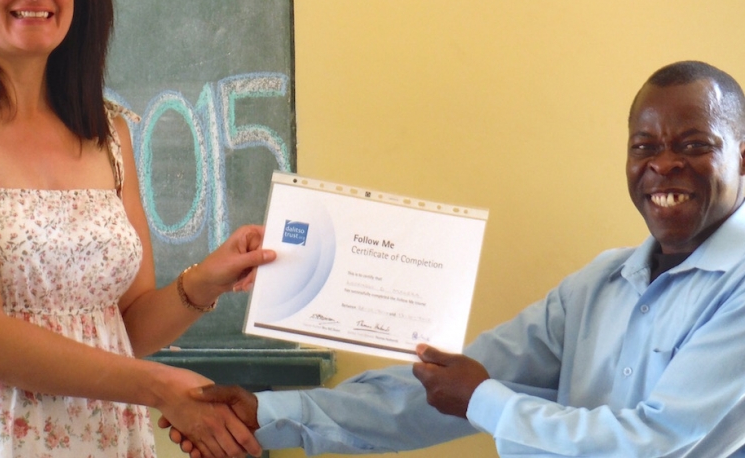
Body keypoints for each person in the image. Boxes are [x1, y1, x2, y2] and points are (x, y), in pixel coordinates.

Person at [165, 60, 745, 457]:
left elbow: (661, 443)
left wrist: (484, 400)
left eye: (695, 145)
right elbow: (439, 387)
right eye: (645, 146)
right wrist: (266, 415)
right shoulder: (598, 285)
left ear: (741, 157)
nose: (663, 166)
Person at [0, 0, 270, 458]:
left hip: (106, 436)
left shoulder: (108, 130)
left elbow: (126, 328)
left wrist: (206, 279)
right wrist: (162, 387)